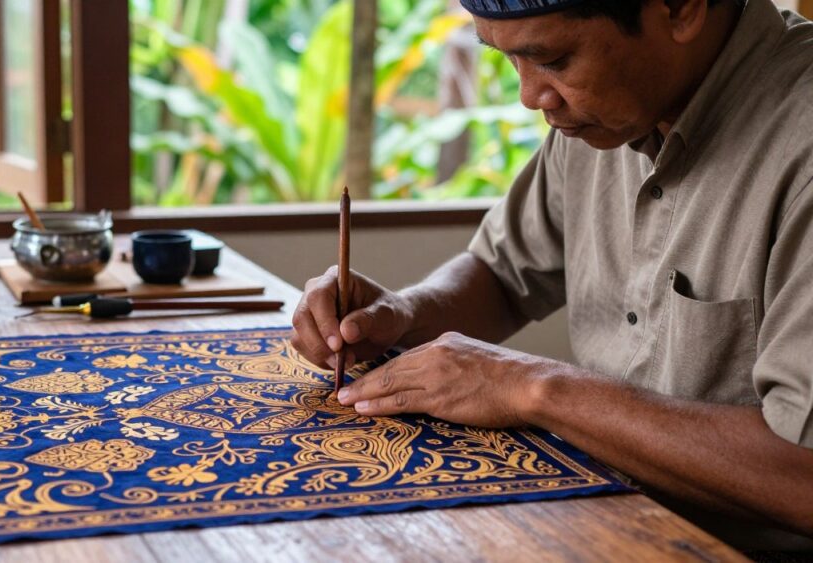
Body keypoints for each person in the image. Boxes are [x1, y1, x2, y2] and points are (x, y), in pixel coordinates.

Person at [291, 0, 813, 552]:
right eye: (510, 60)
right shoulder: (610, 110)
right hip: (597, 523)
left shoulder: (798, 142)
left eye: (553, 60)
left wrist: (534, 388)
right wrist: (402, 314)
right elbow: (501, 275)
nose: (530, 96)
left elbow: (803, 476)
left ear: (682, 9)